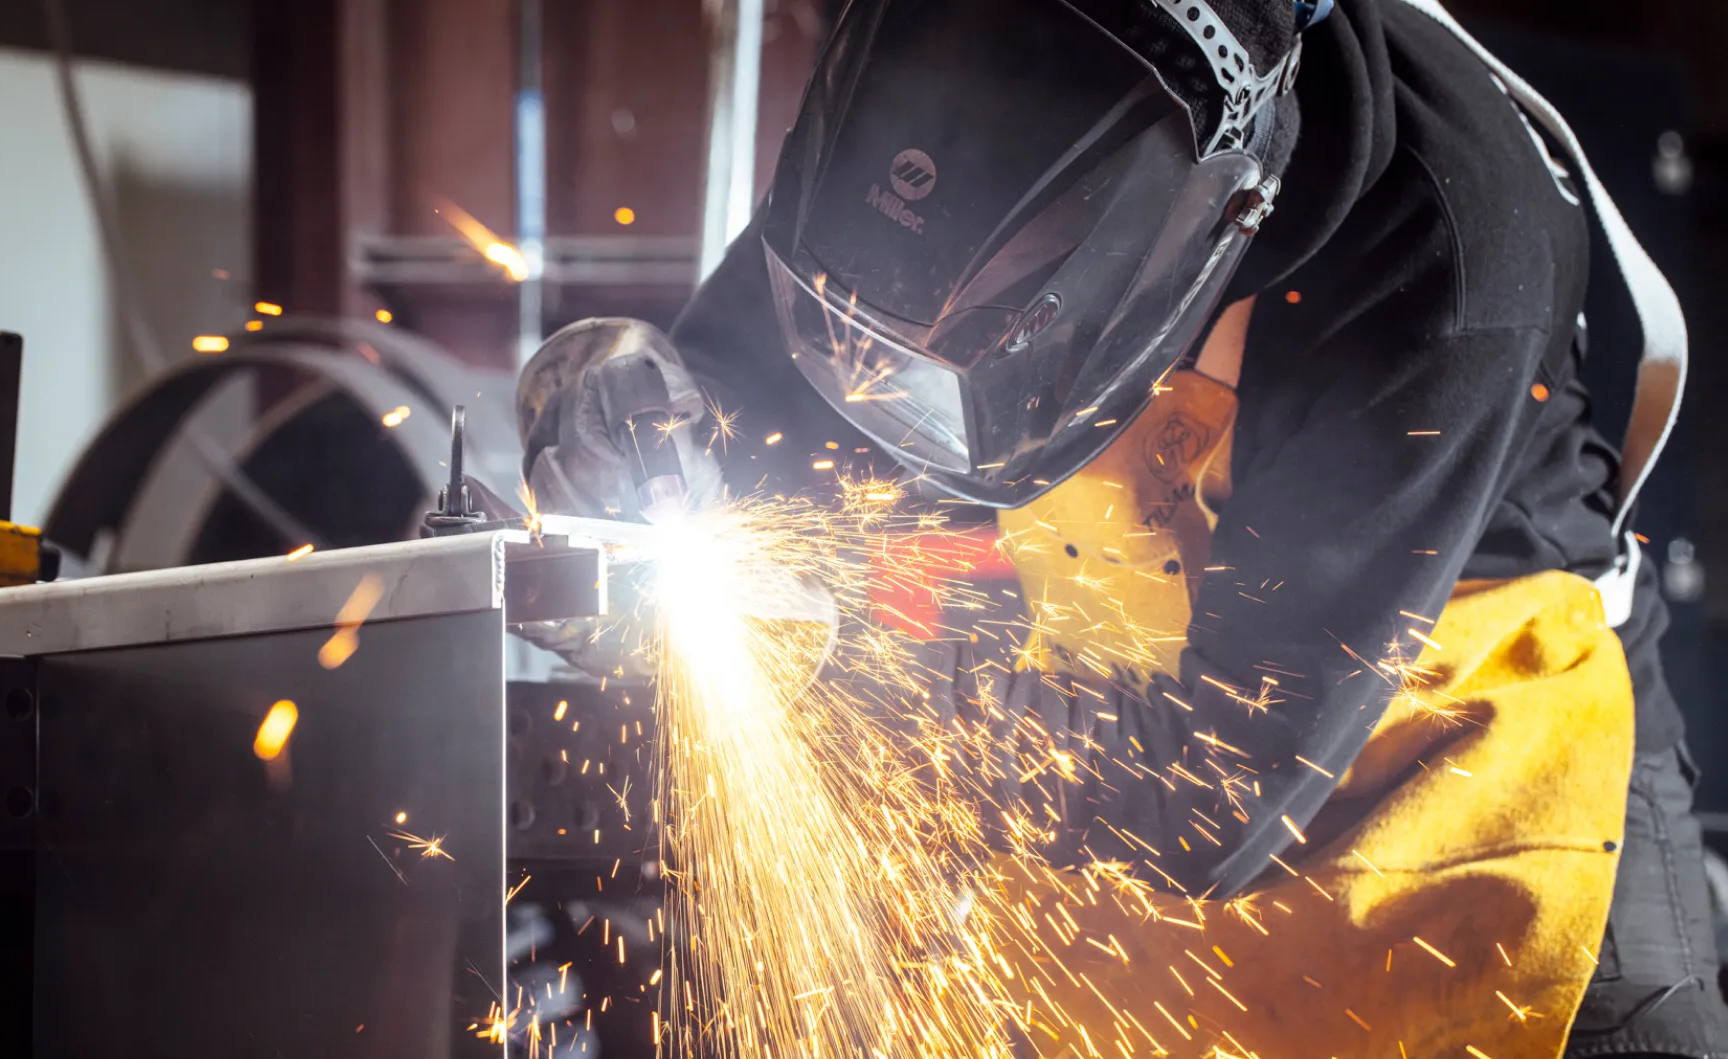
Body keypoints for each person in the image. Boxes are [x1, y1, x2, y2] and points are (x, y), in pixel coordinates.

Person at [517, 0, 1725, 1053]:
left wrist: (847, 673)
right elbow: (746, 380)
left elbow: (1222, 788)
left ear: (1222, 205)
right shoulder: (930, 80)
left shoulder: (1449, 243)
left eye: (998, 306)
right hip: (1137, 698)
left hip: (1454, 738)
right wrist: (643, 403)